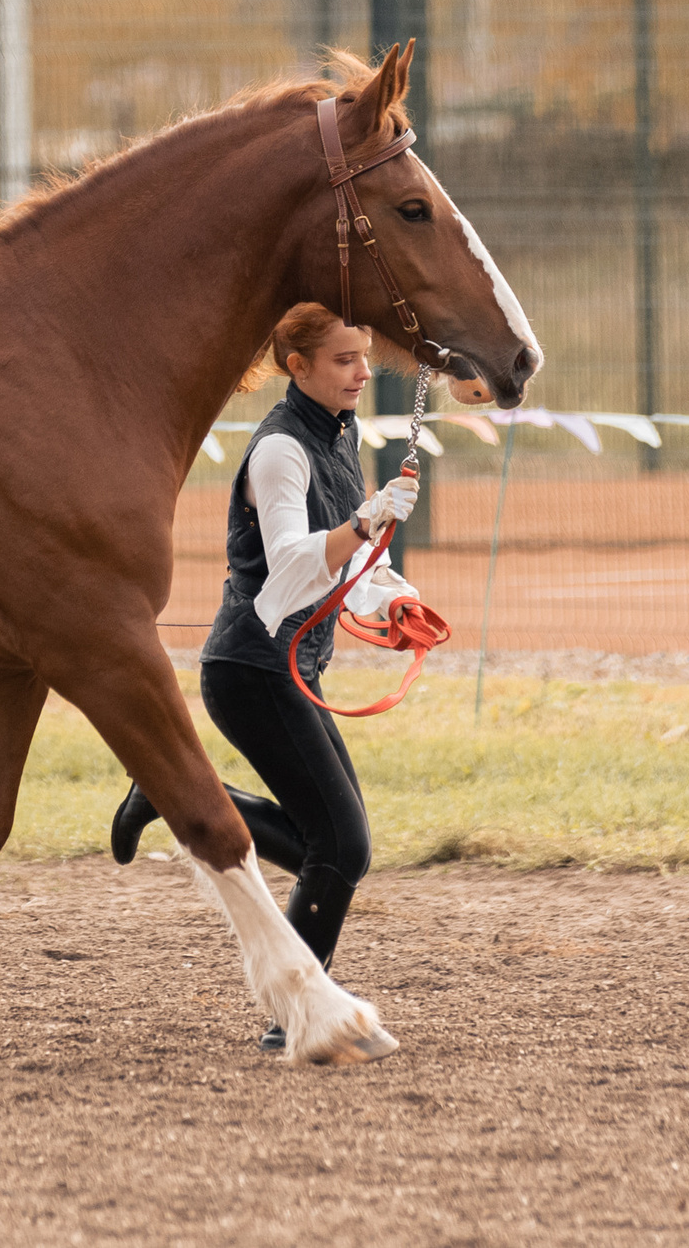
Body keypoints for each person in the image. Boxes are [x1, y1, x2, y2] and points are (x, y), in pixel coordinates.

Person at [109, 300, 418, 1052]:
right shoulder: (281, 449)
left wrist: (402, 599)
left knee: (340, 844)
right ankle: (296, 1012)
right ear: (298, 367)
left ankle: (174, 795)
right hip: (251, 668)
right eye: (344, 359)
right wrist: (368, 520)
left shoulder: (339, 438)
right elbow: (290, 565)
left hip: (286, 665)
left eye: (365, 356)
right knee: (340, 845)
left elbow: (350, 567)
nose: (362, 371)